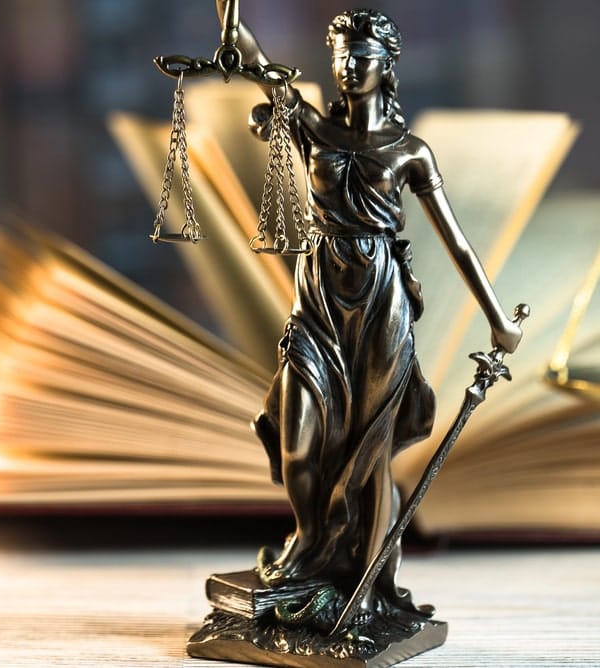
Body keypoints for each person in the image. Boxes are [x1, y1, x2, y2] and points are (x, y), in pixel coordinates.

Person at [218, 5, 524, 620]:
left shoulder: (410, 152)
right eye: (340, 57)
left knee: (369, 447)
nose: (348, 67)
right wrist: (228, 17)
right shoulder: (312, 127)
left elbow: (456, 241)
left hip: (380, 302)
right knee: (299, 435)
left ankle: (367, 584)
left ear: (388, 67)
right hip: (320, 293)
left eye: (362, 57)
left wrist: (498, 319)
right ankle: (309, 547)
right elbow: (251, 59)